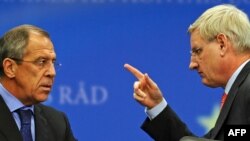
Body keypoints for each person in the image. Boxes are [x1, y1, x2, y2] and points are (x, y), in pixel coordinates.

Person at [124, 4, 250, 141]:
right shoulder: (240, 89)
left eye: (197, 51)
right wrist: (157, 105)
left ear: (222, 44)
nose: (192, 65)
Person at [0, 24, 77, 141]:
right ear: (10, 68)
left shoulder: (58, 123)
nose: (52, 72)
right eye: (41, 62)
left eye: (53, 63)